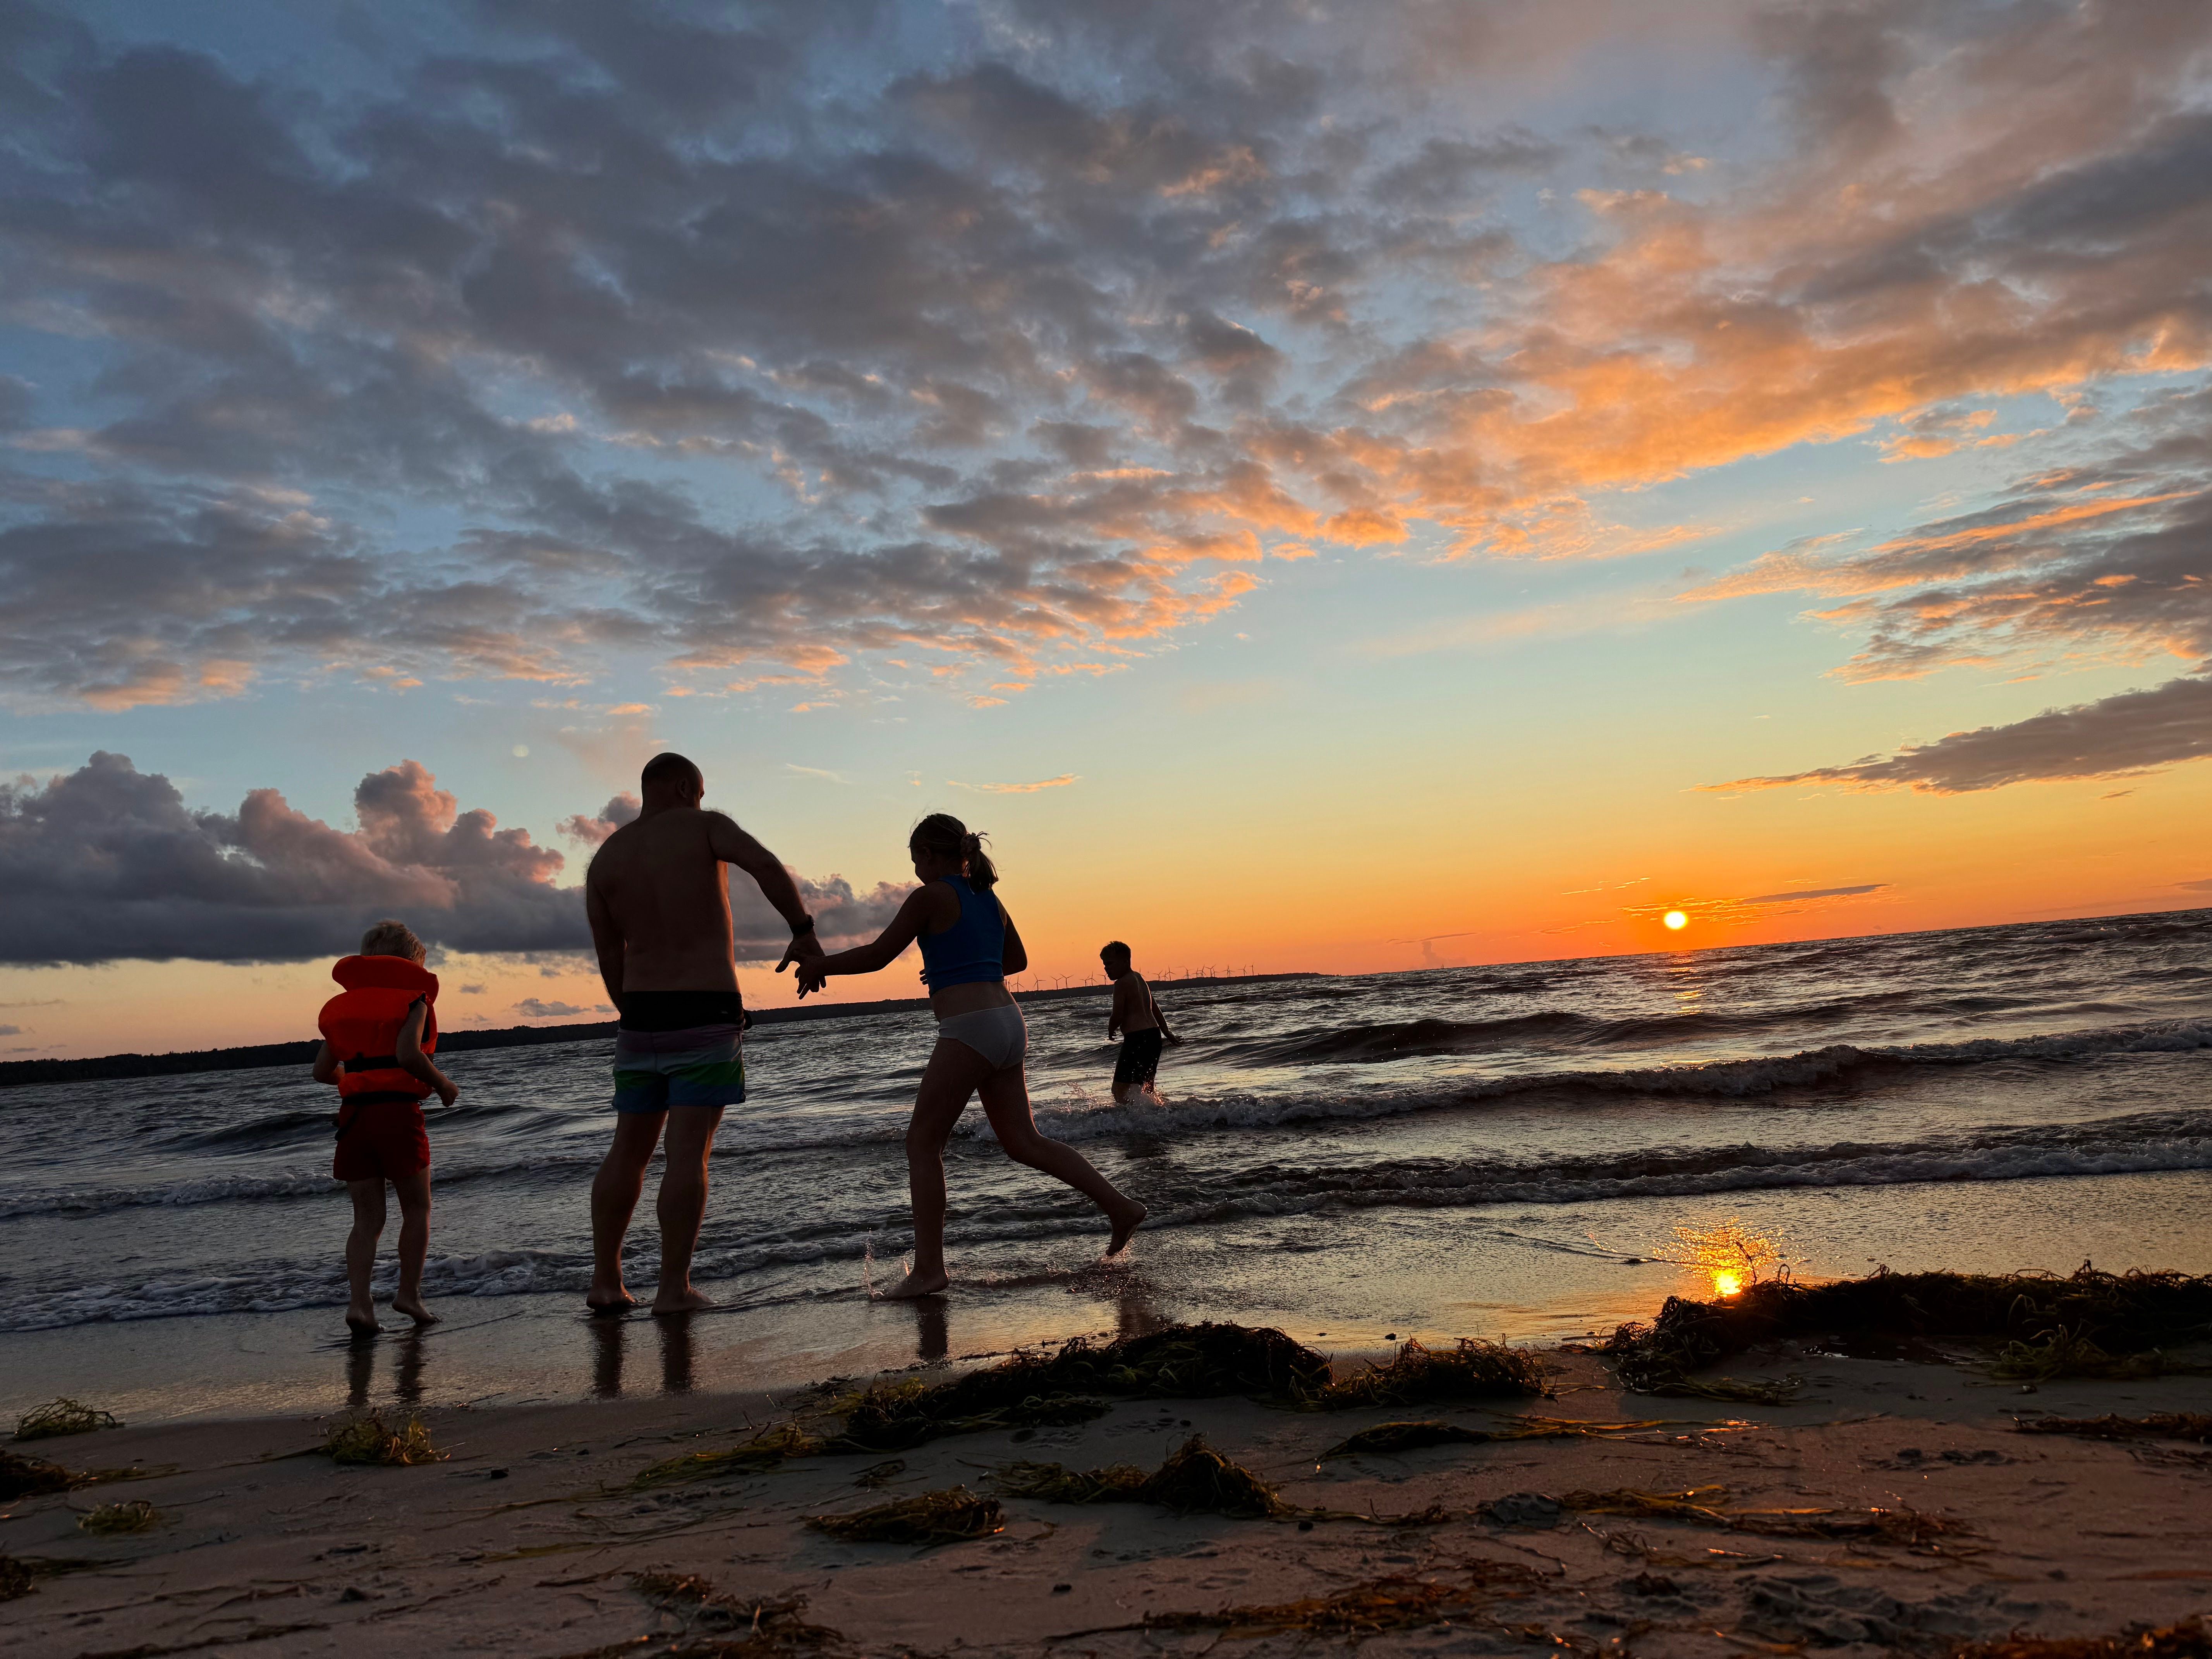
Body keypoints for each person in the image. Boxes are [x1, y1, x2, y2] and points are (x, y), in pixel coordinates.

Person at [795, 814, 1146, 1297]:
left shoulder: (932, 895)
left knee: (922, 1144)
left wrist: (820, 965)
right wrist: (957, 965)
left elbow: (878, 955)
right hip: (1008, 1022)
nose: (916, 867)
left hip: (971, 1028)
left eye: (916, 857)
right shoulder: (988, 896)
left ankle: (929, 1271)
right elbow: (1017, 961)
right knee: (1025, 1142)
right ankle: (1120, 1207)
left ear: (931, 854)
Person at [583, 751, 824, 1314]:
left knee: (628, 1152)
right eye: (700, 791)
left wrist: (633, 1012)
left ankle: (605, 1282)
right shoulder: (706, 826)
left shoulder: (606, 859)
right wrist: (803, 930)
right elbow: (765, 865)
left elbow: (608, 955)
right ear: (688, 787)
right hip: (704, 1007)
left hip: (638, 1016)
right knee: (688, 1154)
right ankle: (673, 1289)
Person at [313, 919, 458, 1335]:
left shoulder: (351, 1007)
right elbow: (409, 1055)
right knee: (417, 1208)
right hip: (397, 1114)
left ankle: (361, 1305)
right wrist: (443, 1084)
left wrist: (354, 1081)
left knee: (367, 1219)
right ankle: (408, 1294)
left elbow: (322, 1070)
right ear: (411, 964)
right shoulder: (415, 1000)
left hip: (354, 1120)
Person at [1101, 940, 1179, 1104]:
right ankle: (1157, 1115)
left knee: (1119, 1090)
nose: (1106, 968)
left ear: (1125, 961)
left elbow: (1118, 1014)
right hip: (1154, 1037)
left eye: (1109, 964)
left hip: (1137, 1039)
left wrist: (1111, 1028)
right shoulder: (1139, 978)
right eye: (1104, 964)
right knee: (1147, 1087)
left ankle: (1133, 1120)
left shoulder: (1121, 984)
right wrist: (1167, 1033)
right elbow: (1155, 1009)